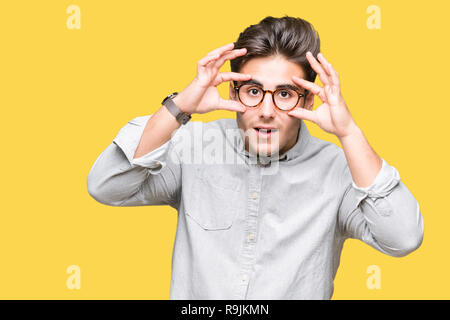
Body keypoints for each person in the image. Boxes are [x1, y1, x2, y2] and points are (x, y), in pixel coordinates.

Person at [87, 16, 424, 299]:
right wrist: (181, 106)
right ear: (233, 92)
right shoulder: (195, 147)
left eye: (285, 94)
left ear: (307, 102)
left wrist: (349, 132)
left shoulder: (338, 170)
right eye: (253, 91)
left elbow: (403, 238)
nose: (266, 111)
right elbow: (106, 185)